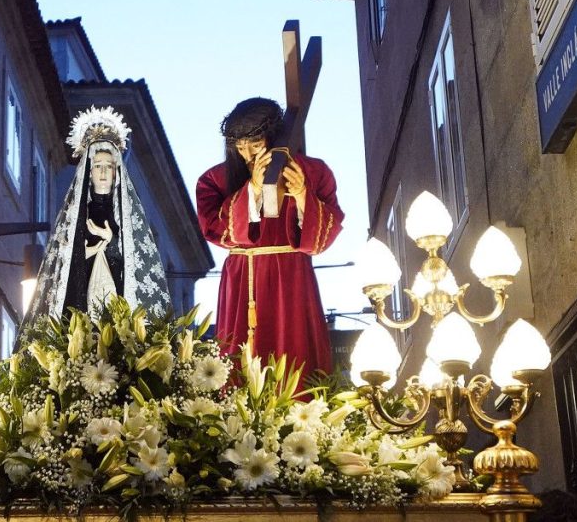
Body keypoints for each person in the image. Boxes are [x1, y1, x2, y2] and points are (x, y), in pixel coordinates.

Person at [196, 98, 343, 375]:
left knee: (296, 354)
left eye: (255, 144)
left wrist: (301, 195)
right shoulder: (214, 180)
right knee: (240, 359)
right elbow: (216, 230)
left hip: (292, 277)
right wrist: (252, 188)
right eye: (240, 147)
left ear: (273, 137)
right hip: (243, 278)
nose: (248, 155)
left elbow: (323, 238)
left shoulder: (313, 172)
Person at [22, 106, 170, 328]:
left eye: (108, 167)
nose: (102, 172)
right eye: (98, 166)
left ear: (116, 171)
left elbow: (133, 268)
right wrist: (85, 253)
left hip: (119, 313)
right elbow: (65, 269)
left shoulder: (125, 219)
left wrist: (111, 241)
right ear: (89, 172)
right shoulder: (78, 216)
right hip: (81, 308)